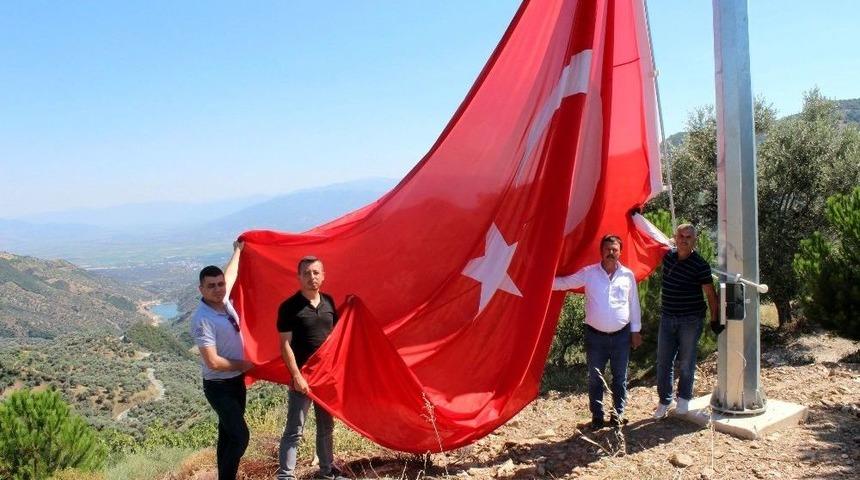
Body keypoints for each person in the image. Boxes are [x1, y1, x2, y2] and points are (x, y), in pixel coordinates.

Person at [554, 234, 642, 430]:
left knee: (620, 378)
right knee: (595, 378)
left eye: (615, 249)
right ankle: (597, 416)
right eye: (607, 249)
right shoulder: (589, 273)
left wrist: (635, 330)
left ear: (620, 252)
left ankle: (618, 414)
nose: (611, 253)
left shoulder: (628, 275)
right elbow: (564, 283)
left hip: (621, 336)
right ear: (601, 251)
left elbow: (633, 304)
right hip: (596, 337)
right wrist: (540, 282)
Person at [276, 256, 347, 480]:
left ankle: (327, 471)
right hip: (303, 377)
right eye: (306, 273)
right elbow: (285, 344)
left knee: (326, 427)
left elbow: (336, 336)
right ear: (299, 277)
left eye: (316, 272)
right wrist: (296, 376)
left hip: (326, 377)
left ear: (323, 276)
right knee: (294, 430)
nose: (311, 277)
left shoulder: (328, 302)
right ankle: (286, 476)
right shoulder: (289, 307)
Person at [190, 243, 253, 480]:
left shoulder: (223, 301)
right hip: (218, 387)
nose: (218, 289)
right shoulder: (202, 319)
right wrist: (244, 364)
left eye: (220, 285)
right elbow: (213, 362)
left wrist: (238, 250)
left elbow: (231, 273)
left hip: (236, 382)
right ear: (201, 288)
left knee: (227, 435)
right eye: (211, 286)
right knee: (240, 436)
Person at [653, 224, 719, 418]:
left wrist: (715, 318)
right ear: (675, 237)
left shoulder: (700, 264)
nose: (684, 239)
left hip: (691, 320)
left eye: (688, 237)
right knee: (663, 362)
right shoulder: (668, 257)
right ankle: (665, 401)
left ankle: (683, 399)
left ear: (694, 240)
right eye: (681, 236)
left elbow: (710, 294)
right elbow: (650, 240)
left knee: (687, 361)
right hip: (667, 317)